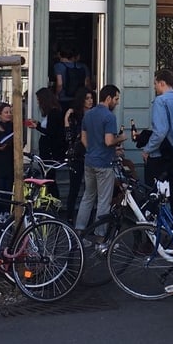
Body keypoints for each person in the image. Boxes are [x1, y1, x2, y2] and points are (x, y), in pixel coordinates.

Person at [75, 85, 123, 238]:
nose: (117, 103)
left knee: (88, 197)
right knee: (104, 201)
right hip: (104, 163)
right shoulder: (109, 117)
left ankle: (79, 231)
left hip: (89, 161)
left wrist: (93, 150)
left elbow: (83, 138)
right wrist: (121, 138)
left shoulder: (88, 114)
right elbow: (109, 141)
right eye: (116, 99)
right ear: (108, 98)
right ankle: (100, 235)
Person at [141, 69, 173, 223]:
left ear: (162, 83)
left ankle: (152, 236)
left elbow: (160, 131)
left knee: (153, 194)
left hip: (160, 156)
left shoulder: (160, 101)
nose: (154, 87)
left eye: (155, 84)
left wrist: (147, 149)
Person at [27, 87, 67, 199]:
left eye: (39, 99)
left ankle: (54, 201)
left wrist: (37, 126)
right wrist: (38, 124)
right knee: (49, 178)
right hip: (48, 150)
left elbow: (51, 132)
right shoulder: (52, 113)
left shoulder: (54, 113)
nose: (38, 102)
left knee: (49, 179)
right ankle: (52, 201)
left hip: (50, 152)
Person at [63, 87, 94, 224]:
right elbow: (68, 137)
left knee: (91, 189)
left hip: (90, 154)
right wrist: (66, 119)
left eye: (91, 98)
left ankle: (90, 219)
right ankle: (69, 217)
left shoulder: (94, 115)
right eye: (87, 98)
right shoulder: (75, 116)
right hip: (76, 155)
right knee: (74, 188)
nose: (90, 101)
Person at [54, 45, 91, 112]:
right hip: (79, 99)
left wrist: (56, 94)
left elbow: (60, 84)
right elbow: (87, 84)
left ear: (60, 54)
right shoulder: (83, 66)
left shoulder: (59, 66)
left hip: (63, 99)